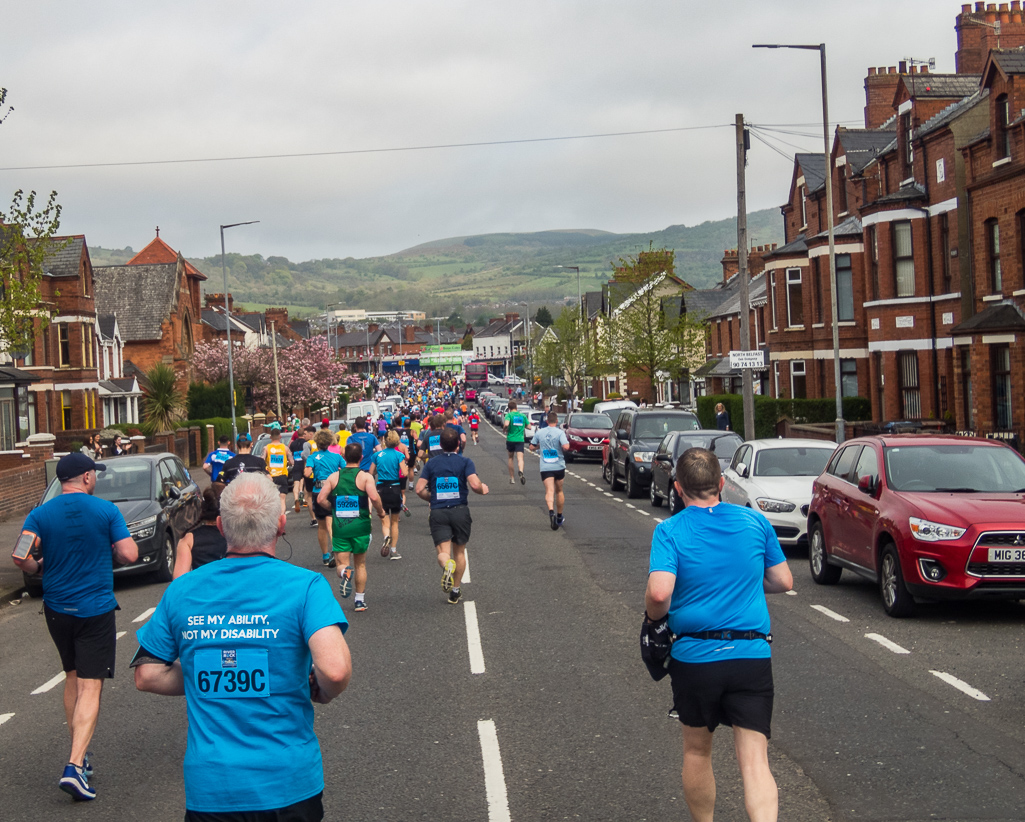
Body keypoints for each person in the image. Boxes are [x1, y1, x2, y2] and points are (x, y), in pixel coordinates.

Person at [132, 473, 352, 820]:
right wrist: (318, 689)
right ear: (281, 524)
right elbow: (335, 669)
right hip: (288, 783)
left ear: (220, 526)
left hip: (213, 788)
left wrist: (207, 668)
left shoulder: (181, 591)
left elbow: (147, 674)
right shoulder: (306, 586)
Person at [644, 448, 792, 822]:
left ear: (677, 489)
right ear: (721, 484)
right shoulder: (755, 522)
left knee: (697, 751)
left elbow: (660, 592)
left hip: (696, 657)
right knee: (755, 760)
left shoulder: (670, 531)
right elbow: (783, 581)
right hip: (751, 653)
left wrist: (651, 620)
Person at [11, 453, 139, 801]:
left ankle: (79, 757)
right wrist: (112, 546)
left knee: (72, 675)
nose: (95, 478)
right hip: (94, 609)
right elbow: (129, 554)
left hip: (56, 609)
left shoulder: (40, 514)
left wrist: (38, 569)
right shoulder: (106, 511)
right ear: (85, 478)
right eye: (93, 474)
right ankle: (74, 766)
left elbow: (19, 556)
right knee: (91, 685)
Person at [414, 427, 489, 605]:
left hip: (439, 511)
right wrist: (482, 490)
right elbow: (474, 484)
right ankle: (455, 590)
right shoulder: (465, 462)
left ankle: (447, 565)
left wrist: (432, 497)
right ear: (458, 445)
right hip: (460, 511)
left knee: (443, 552)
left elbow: (418, 489)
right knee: (460, 551)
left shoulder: (431, 463)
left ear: (440, 444)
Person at [317, 441, 386, 612]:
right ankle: (359, 601)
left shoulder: (334, 477)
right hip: (361, 527)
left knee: (341, 563)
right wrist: (381, 512)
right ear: (361, 458)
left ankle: (344, 572)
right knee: (361, 564)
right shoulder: (365, 477)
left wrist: (333, 508)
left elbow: (320, 499)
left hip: (341, 528)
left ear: (344, 457)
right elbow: (375, 498)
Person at [172, 487, 227, 578]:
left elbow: (179, 579)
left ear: (203, 509)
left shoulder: (189, 539)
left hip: (202, 589)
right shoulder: (235, 535)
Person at [529, 410, 570, 530]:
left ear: (547, 421)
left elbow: (531, 447)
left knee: (549, 490)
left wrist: (539, 446)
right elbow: (566, 446)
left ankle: (551, 511)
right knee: (559, 491)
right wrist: (564, 447)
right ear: (557, 421)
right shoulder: (560, 433)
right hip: (558, 466)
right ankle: (559, 516)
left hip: (546, 467)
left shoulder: (540, 432)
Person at [307, 429, 342, 565]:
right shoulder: (337, 457)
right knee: (331, 521)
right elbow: (345, 469)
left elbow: (307, 472)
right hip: (333, 491)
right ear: (329, 442)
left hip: (318, 491)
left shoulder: (313, 457)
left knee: (322, 525)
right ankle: (336, 549)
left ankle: (325, 556)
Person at [370, 430, 406, 560]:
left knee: (384, 519)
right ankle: (394, 550)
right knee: (395, 521)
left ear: (384, 441)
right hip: (395, 487)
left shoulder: (377, 455)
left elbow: (371, 472)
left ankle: (386, 537)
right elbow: (404, 472)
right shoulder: (399, 455)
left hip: (381, 488)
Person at [263, 423, 295, 515]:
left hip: (270, 477)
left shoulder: (266, 448)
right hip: (282, 477)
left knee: (271, 501)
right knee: (282, 500)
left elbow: (261, 461)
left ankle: (273, 521)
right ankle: (282, 520)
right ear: (280, 436)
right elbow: (292, 462)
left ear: (270, 437)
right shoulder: (285, 448)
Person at [503, 400, 529, 485]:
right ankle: (521, 471)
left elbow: (506, 424)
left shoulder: (509, 415)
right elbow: (529, 426)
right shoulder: (522, 416)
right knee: (520, 458)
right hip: (520, 439)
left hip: (511, 439)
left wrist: (504, 429)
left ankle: (512, 478)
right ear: (516, 407)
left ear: (509, 408)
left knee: (511, 458)